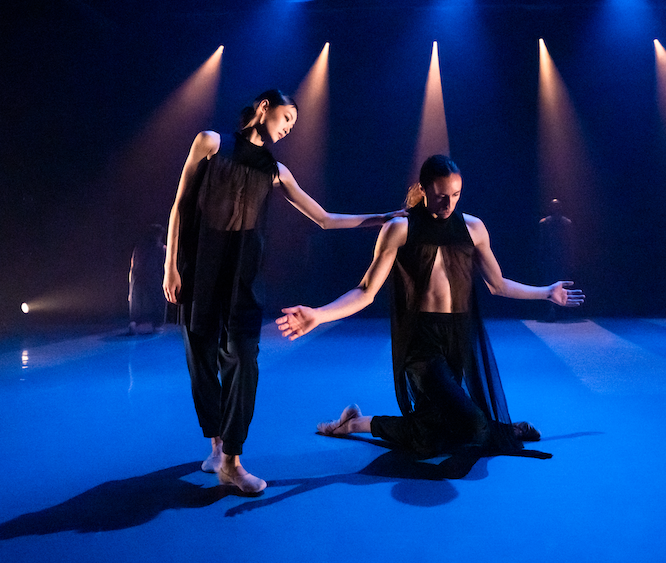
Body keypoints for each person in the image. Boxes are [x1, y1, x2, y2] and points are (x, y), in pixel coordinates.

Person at [163, 90, 402, 494]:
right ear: (263, 108)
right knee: (200, 357)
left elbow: (323, 219)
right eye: (286, 116)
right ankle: (217, 445)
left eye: (293, 123)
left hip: (241, 273)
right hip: (199, 267)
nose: (290, 126)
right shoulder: (211, 142)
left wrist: (381, 218)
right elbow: (180, 205)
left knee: (244, 360)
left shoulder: (276, 170)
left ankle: (233, 461)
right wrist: (170, 265)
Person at [276, 155, 585, 459]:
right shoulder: (400, 228)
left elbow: (498, 284)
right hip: (420, 342)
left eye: (455, 195)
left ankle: (354, 423)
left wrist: (547, 292)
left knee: (429, 437)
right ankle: (499, 429)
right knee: (472, 427)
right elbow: (366, 291)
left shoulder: (473, 228)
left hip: (457, 337)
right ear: (423, 189)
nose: (448, 204)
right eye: (440, 196)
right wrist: (319, 314)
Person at [538, 198, 574, 322]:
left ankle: (562, 310)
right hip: (550, 258)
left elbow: (570, 243)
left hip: (561, 258)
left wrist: (569, 257)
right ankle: (551, 310)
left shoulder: (566, 223)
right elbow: (542, 242)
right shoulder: (544, 223)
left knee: (563, 283)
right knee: (550, 284)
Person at [128, 224, 168, 335]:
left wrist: (131, 279)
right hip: (153, 277)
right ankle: (157, 324)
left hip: (138, 276)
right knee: (158, 300)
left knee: (136, 301)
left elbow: (133, 263)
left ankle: (134, 322)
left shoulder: (139, 247)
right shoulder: (161, 248)